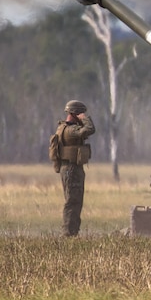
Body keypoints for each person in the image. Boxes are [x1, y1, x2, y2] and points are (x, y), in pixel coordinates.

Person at [55, 99, 95, 237]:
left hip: (71, 168)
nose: (82, 115)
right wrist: (85, 119)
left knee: (74, 200)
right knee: (73, 201)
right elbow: (90, 129)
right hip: (71, 169)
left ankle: (72, 232)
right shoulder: (71, 130)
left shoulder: (63, 128)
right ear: (76, 114)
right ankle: (68, 233)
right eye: (80, 113)